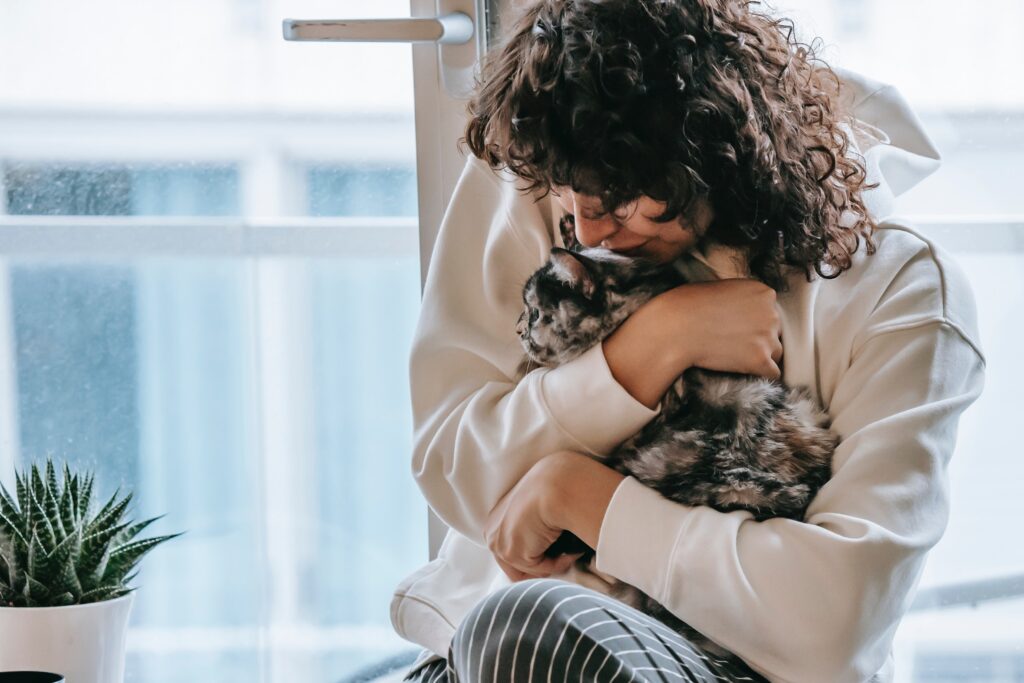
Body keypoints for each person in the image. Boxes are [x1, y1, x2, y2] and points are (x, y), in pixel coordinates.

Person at [389, 0, 986, 681]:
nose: (585, 232)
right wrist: (649, 350)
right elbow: (453, 468)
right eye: (567, 196)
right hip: (487, 647)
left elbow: (830, 630)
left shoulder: (901, 291)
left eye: (616, 197)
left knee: (532, 626)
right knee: (515, 629)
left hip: (716, 665)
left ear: (711, 152)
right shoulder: (550, 152)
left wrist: (580, 496)